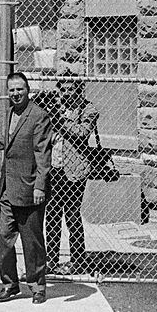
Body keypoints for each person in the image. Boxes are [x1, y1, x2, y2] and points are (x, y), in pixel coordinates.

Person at [0, 71, 52, 304]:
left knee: (32, 242)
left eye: (20, 89)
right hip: (7, 189)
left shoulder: (39, 115)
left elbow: (43, 153)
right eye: (12, 90)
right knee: (3, 239)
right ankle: (10, 283)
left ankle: (37, 286)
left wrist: (40, 186)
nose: (16, 93)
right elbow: (4, 143)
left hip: (30, 190)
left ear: (28, 90)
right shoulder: (7, 114)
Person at [46, 78, 99, 275]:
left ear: (79, 90)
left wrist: (60, 122)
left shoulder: (88, 109)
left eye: (71, 90)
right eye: (64, 90)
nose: (67, 94)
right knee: (52, 215)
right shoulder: (56, 109)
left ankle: (78, 260)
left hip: (75, 171)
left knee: (72, 214)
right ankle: (51, 259)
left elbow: (82, 133)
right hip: (55, 168)